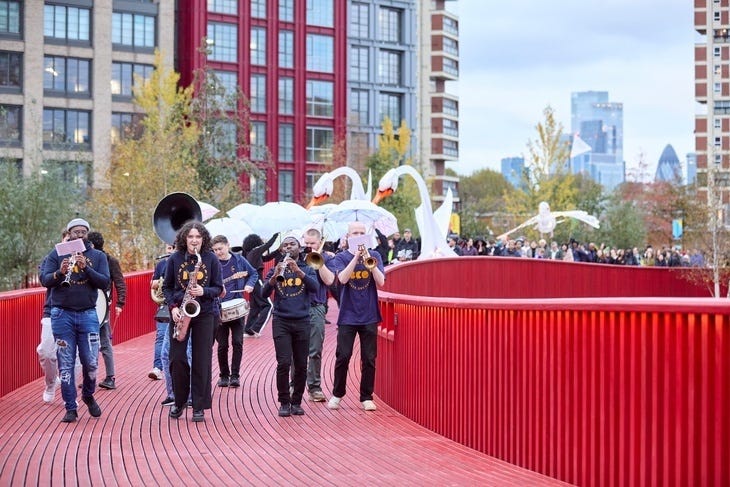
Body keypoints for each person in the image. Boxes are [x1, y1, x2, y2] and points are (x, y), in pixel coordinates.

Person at [40, 218, 110, 423]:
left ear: (87, 234)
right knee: (66, 363)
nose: (79, 235)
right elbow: (45, 280)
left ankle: (88, 395)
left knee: (91, 362)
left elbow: (105, 282)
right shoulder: (57, 253)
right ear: (69, 233)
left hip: (88, 314)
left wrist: (86, 268)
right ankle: (70, 406)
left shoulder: (97, 256)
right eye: (75, 232)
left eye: (83, 232)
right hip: (62, 314)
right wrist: (59, 273)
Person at [163, 221, 223, 422]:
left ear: (203, 239)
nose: (194, 241)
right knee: (177, 358)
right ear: (184, 238)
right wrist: (172, 308)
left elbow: (218, 288)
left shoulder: (210, 259)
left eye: (198, 237)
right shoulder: (175, 259)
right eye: (190, 237)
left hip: (204, 313)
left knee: (201, 360)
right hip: (180, 312)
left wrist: (204, 291)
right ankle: (179, 401)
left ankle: (198, 405)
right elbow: (167, 288)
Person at [326, 221, 386, 412]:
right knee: (343, 355)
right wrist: (355, 258)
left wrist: (368, 259)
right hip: (348, 315)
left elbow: (381, 282)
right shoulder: (341, 257)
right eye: (355, 233)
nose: (358, 235)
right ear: (348, 237)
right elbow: (342, 279)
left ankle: (366, 396)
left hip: (369, 314)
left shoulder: (374, 255)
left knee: (369, 358)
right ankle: (337, 394)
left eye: (361, 232)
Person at [261, 233, 319, 417]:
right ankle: (284, 402)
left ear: (299, 248)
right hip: (281, 320)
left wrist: (298, 271)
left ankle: (297, 402)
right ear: (280, 250)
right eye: (285, 245)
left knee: (301, 364)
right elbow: (263, 293)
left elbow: (315, 288)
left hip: (302, 320)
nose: (288, 247)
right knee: (284, 363)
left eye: (292, 244)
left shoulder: (307, 268)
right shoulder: (277, 268)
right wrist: (275, 276)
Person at [211, 235, 257, 388]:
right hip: (219, 309)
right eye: (215, 250)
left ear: (228, 245)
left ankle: (235, 375)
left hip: (237, 308)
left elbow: (253, 273)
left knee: (238, 342)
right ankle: (224, 375)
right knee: (222, 345)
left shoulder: (239, 261)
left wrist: (250, 285)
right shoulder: (212, 263)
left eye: (220, 249)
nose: (218, 252)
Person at [299, 228, 335, 402]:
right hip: (298, 308)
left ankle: (314, 387)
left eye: (312, 243)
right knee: (295, 351)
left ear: (320, 243)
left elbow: (329, 280)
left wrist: (319, 261)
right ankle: (295, 386)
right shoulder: (297, 257)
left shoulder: (328, 258)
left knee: (315, 350)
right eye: (306, 243)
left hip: (316, 306)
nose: (308, 246)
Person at [86, 231, 126, 391]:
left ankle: (109, 377)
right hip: (92, 304)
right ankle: (92, 376)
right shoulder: (90, 259)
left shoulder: (109, 261)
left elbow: (120, 282)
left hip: (101, 306)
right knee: (94, 341)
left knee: (102, 340)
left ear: (92, 245)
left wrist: (120, 303)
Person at [38, 229, 69, 403]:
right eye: (66, 240)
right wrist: (60, 272)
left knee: (70, 356)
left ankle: (68, 394)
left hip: (75, 312)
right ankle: (51, 383)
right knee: (46, 352)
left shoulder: (85, 259)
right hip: (52, 311)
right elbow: (44, 279)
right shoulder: (51, 258)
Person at [242, 233, 279, 337]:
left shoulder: (251, 254)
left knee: (255, 307)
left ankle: (248, 330)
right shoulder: (254, 252)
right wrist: (275, 236)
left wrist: (279, 250)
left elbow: (267, 258)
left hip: (251, 282)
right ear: (256, 242)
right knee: (269, 305)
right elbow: (267, 245)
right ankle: (256, 328)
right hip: (257, 280)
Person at [149, 243, 175, 380]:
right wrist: (161, 282)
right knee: (160, 337)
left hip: (180, 304)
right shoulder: (161, 264)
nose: (170, 251)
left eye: (173, 248)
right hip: (165, 305)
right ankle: (157, 368)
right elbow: (153, 284)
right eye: (169, 247)